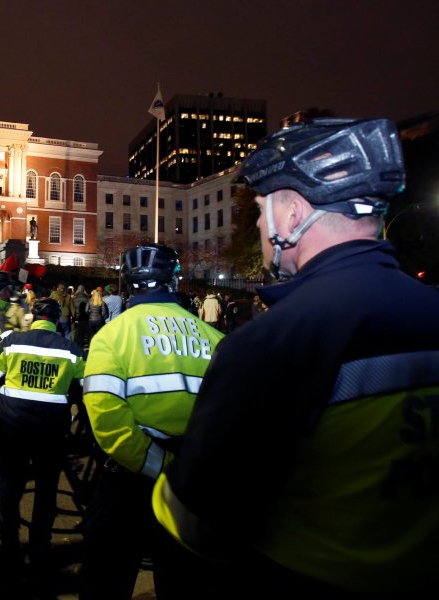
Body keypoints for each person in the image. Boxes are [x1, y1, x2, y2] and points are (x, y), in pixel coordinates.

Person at [152, 118, 439, 597]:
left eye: (263, 211)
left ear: (292, 215)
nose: (262, 226)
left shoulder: (275, 342)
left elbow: (199, 522)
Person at [81, 244, 225, 599]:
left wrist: (158, 465)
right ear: (174, 280)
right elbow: (231, 419)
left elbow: (108, 423)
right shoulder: (216, 339)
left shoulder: (111, 337)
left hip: (127, 484)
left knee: (104, 584)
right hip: (190, 487)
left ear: (127, 283)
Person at [0, 297, 86, 574]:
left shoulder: (13, 342)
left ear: (33, 317)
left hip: (13, 426)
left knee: (10, 482)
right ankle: (40, 544)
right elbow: (86, 385)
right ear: (57, 320)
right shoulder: (71, 350)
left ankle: (10, 543)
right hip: (51, 430)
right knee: (46, 486)